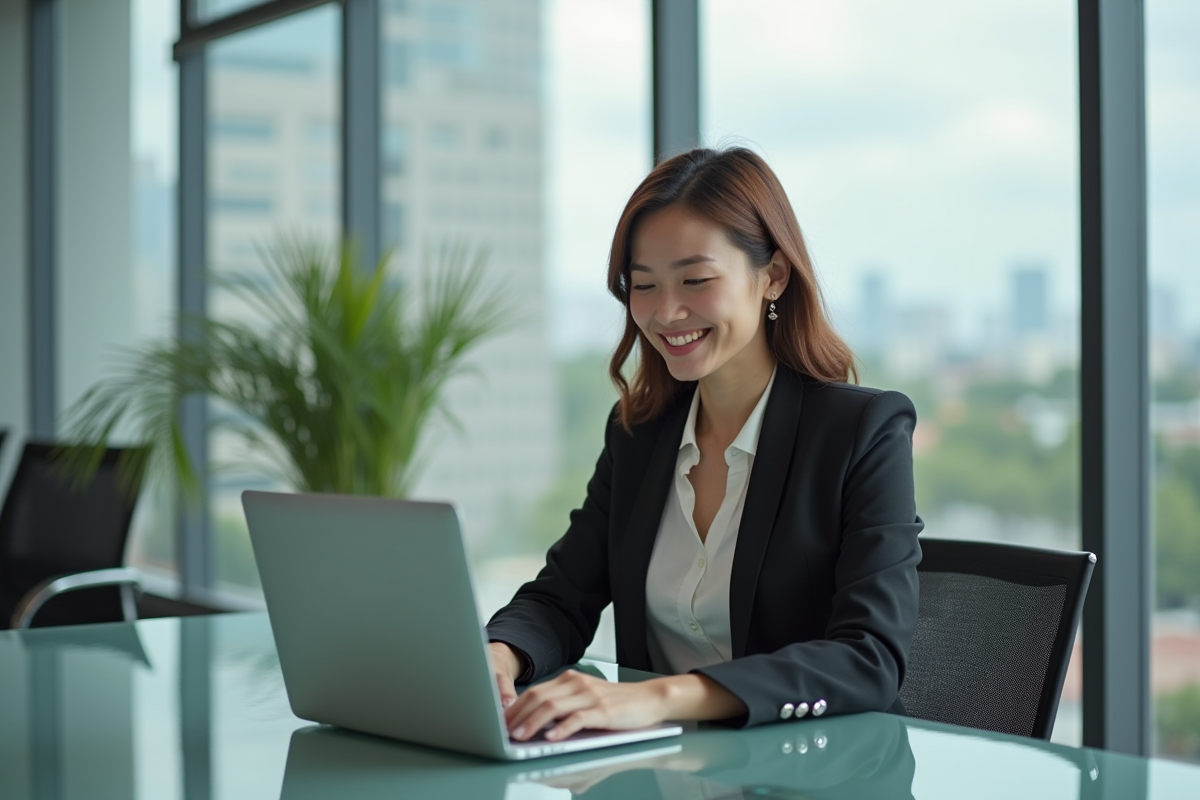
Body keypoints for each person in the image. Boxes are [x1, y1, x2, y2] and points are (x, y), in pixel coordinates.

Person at [486, 147, 923, 742]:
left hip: (808, 776)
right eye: (644, 285)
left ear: (773, 275)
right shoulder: (638, 434)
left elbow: (869, 656)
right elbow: (563, 596)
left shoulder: (861, 432)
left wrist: (656, 697)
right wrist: (499, 655)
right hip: (665, 775)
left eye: (696, 280)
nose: (667, 312)